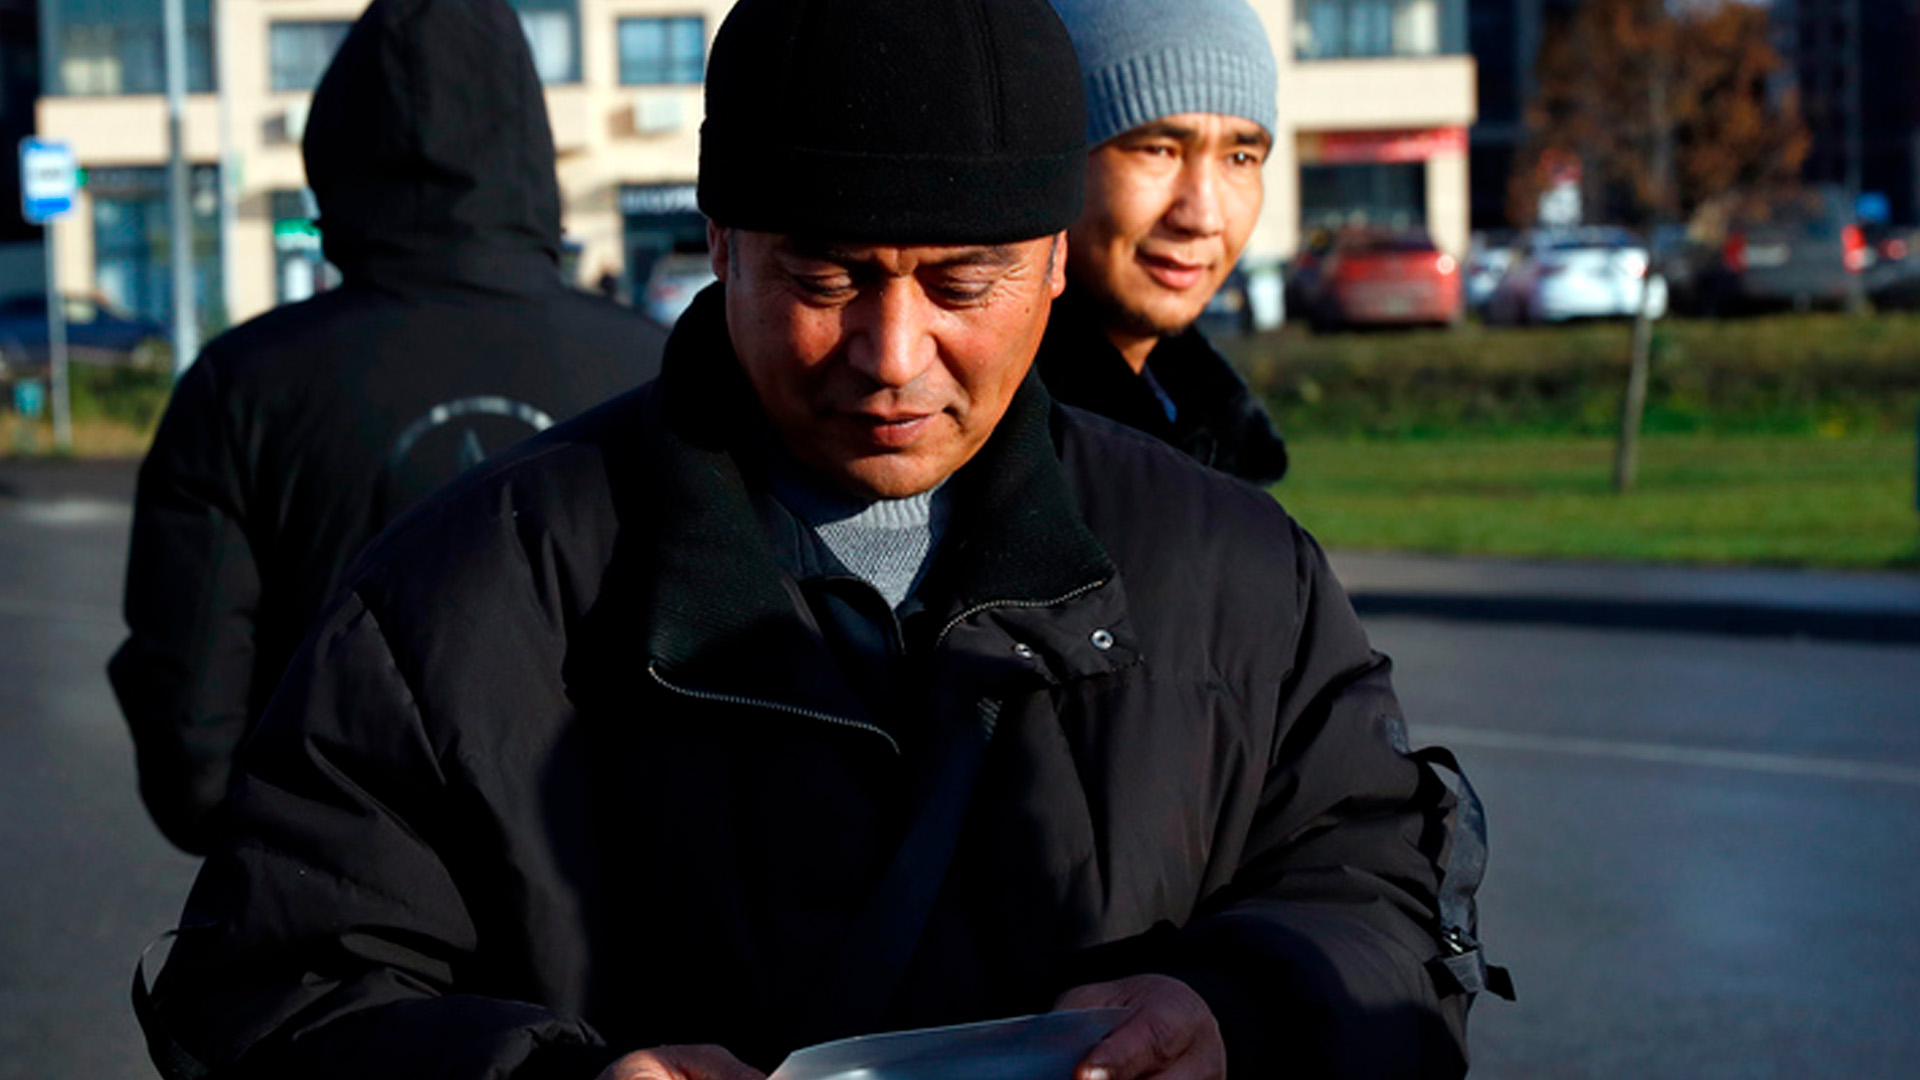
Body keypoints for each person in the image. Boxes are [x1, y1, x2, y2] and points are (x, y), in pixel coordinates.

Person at [137, 1, 1477, 1077]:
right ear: (723, 244)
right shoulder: (464, 590)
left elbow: (1379, 897)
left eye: (964, 284)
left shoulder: (1239, 571)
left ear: (1058, 259)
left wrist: (1239, 1010)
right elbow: (270, 992)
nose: (892, 356)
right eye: (827, 281)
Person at [107, 0, 667, 856]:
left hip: (332, 894)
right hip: (619, 898)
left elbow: (189, 715)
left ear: (337, 149)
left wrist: (277, 855)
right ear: (527, 145)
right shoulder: (655, 367)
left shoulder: (243, 384)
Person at [1035, 0, 1291, 485]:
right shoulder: (994, 456)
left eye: (1239, 158)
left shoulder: (1210, 445)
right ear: (1059, 161)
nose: (1203, 216)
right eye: (1158, 150)